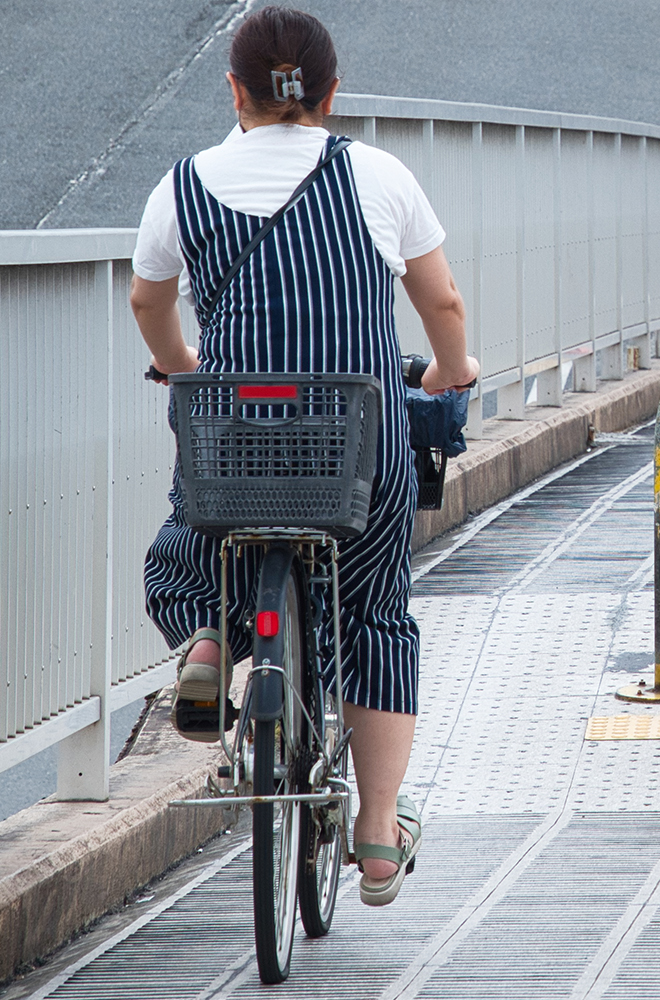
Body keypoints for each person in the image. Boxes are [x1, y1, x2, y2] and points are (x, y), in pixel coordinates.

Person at [129, 6, 478, 907]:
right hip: (355, 449)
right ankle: (375, 835)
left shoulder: (184, 184)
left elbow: (147, 301)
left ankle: (210, 634)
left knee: (190, 553)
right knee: (375, 615)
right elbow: (442, 303)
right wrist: (449, 370)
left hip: (232, 444)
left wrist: (182, 370)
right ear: (330, 92)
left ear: (235, 91)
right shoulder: (377, 175)